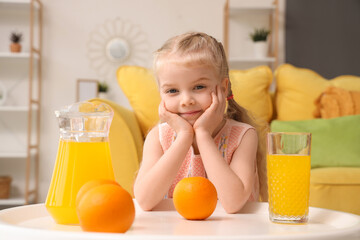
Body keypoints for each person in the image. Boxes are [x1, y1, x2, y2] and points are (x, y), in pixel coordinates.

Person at [134, 32, 267, 213]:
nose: (186, 100)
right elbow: (144, 200)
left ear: (222, 88)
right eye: (173, 90)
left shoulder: (243, 136)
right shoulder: (158, 137)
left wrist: (203, 134)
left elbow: (233, 203)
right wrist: (184, 137)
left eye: (199, 87)